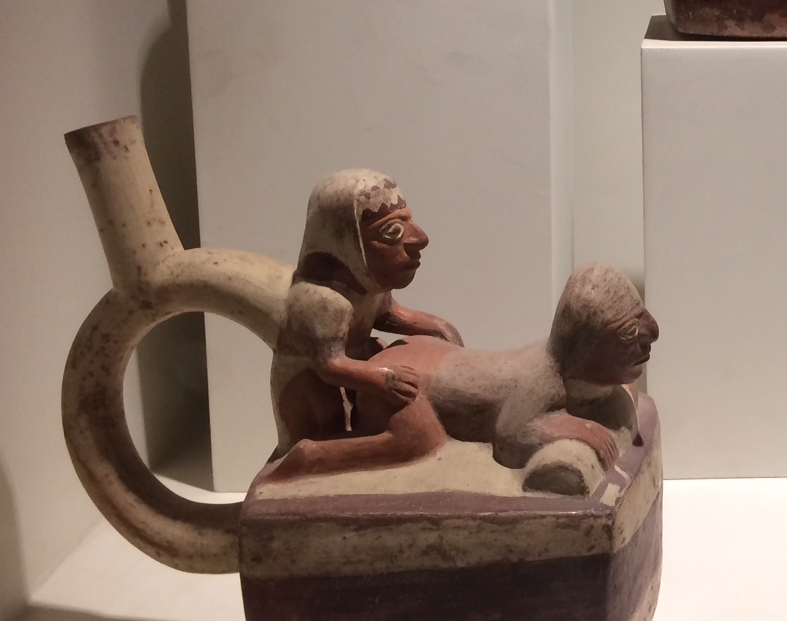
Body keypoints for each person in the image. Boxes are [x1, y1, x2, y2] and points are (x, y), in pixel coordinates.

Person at [264, 265, 659, 496]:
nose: (648, 342)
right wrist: (577, 428)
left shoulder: (568, 375)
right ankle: (312, 457)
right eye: (627, 336)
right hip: (405, 386)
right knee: (420, 443)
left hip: (428, 359)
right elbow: (510, 438)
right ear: (584, 348)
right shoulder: (544, 379)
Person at [269, 171, 462, 456]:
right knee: (328, 425)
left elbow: (389, 314)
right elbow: (330, 365)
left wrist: (436, 327)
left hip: (355, 368)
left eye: (409, 223)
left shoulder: (365, 284)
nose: (419, 239)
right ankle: (306, 462)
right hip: (314, 382)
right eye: (392, 232)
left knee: (383, 352)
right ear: (345, 245)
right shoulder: (323, 299)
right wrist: (383, 378)